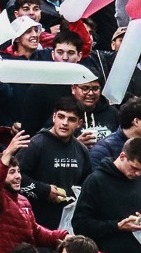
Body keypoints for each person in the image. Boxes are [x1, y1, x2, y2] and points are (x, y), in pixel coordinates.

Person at [16, 97, 92, 229]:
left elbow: (87, 184)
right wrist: (45, 190)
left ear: (79, 123)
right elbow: (16, 178)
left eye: (71, 119)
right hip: (35, 222)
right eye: (61, 117)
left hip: (68, 223)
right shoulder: (36, 144)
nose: (65, 123)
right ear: (54, 117)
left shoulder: (81, 150)